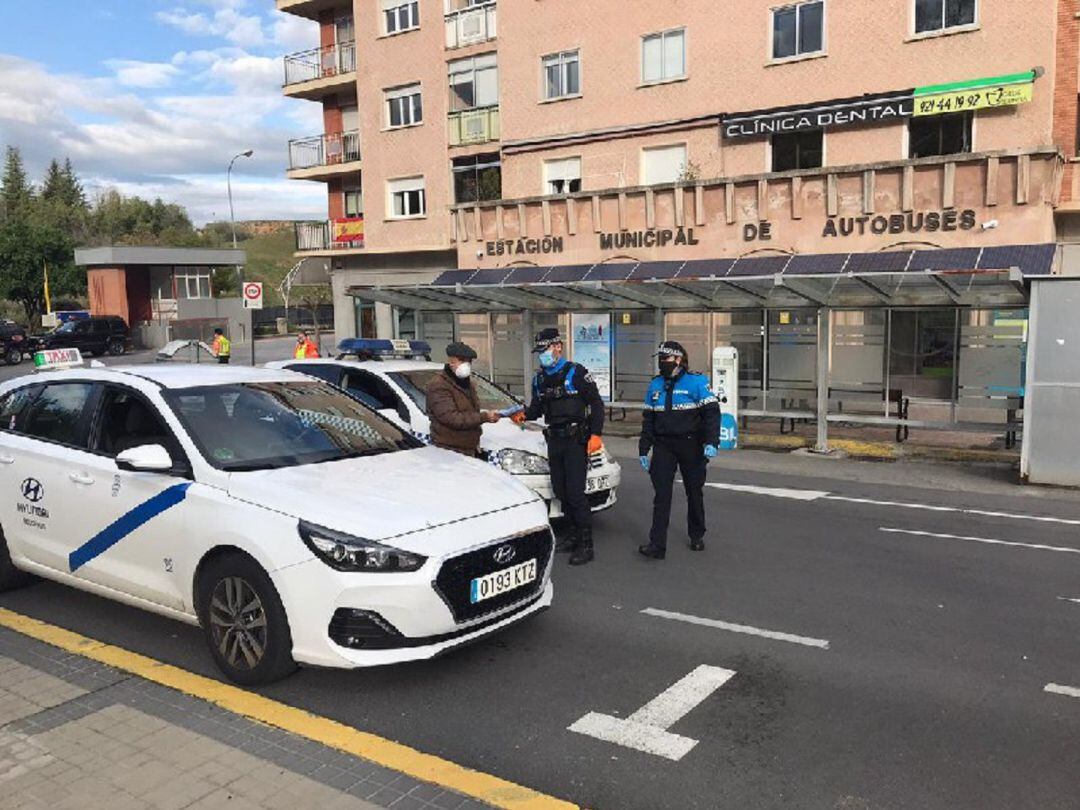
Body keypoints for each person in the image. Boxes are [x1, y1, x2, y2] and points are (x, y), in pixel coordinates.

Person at [523, 328, 604, 566]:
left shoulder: (576, 372)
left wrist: (596, 434)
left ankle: (586, 545)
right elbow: (536, 409)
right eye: (540, 351)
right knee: (561, 491)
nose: (543, 355)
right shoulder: (539, 380)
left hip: (575, 440)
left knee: (576, 493)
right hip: (555, 440)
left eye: (546, 349)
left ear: (558, 346)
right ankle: (572, 535)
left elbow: (596, 403)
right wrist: (521, 414)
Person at [638, 341, 720, 560]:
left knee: (694, 491)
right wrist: (644, 448)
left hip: (691, 444)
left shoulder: (696, 382)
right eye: (660, 359)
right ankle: (657, 545)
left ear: (678, 359)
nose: (661, 363)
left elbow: (712, 414)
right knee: (661, 495)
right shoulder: (655, 384)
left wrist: (712, 442)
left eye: (665, 358)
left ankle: (696, 534)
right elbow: (648, 420)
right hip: (663, 446)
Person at [426, 342, 500, 457]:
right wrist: (485, 417)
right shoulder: (439, 385)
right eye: (461, 360)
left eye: (469, 361)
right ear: (451, 361)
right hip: (449, 450)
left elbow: (471, 411)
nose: (466, 365)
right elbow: (452, 418)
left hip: (468, 448)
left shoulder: (467, 384)